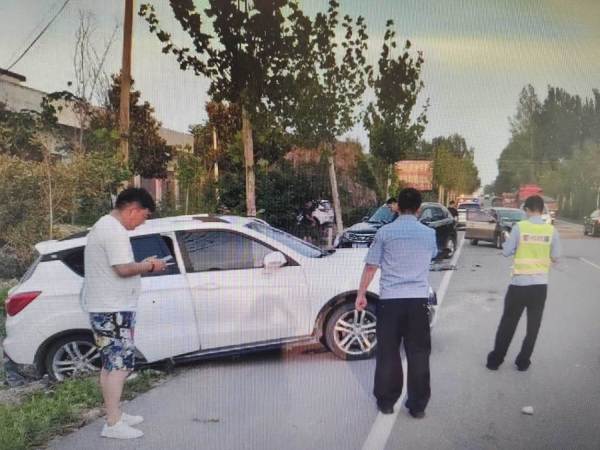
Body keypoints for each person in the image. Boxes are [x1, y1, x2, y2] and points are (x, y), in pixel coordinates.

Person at [80, 188, 166, 439]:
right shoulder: (114, 231)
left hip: (109, 307)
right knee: (119, 366)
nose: (142, 222)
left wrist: (143, 264)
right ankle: (113, 423)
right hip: (113, 309)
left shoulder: (105, 226)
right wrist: (151, 265)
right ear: (132, 210)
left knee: (111, 365)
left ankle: (114, 412)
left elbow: (122, 266)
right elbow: (123, 269)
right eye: (144, 216)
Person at [355, 188, 438, 418]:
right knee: (419, 353)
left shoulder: (384, 232)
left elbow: (371, 266)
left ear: (397, 207)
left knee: (388, 353)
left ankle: (386, 402)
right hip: (418, 302)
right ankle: (418, 406)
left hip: (390, 302)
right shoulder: (429, 234)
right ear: (419, 209)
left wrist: (361, 294)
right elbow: (432, 255)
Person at [486, 195, 560, 371]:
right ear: (542, 210)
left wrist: (508, 239)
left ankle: (495, 361)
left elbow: (506, 252)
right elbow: (555, 256)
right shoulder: (551, 231)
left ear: (527, 209)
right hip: (540, 287)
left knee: (508, 323)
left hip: (519, 285)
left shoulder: (519, 227)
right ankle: (523, 361)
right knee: (533, 327)